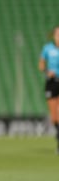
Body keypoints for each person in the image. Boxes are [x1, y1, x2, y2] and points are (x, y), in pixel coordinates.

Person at [39, 25, 59, 154]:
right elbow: (41, 65)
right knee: (54, 116)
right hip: (51, 82)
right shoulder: (47, 48)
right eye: (57, 34)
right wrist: (47, 72)